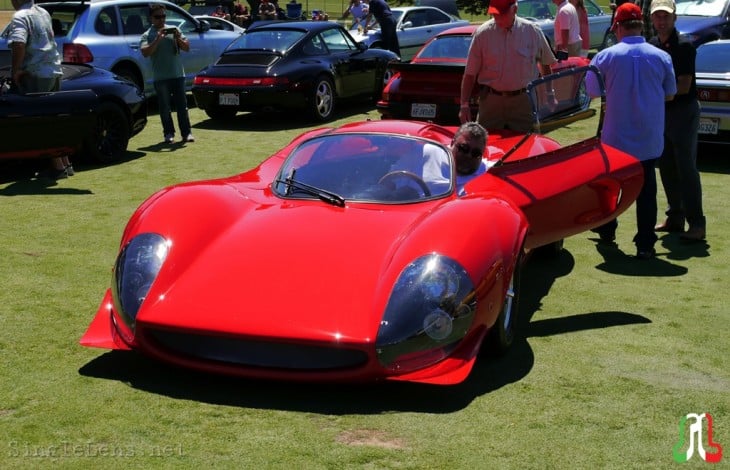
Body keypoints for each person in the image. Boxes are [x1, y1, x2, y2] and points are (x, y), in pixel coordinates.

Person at [585, 2, 676, 259]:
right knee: (647, 191)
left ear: (618, 27)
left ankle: (607, 230)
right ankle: (646, 244)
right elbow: (670, 94)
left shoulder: (605, 56)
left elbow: (592, 91)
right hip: (648, 137)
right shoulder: (661, 56)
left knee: (610, 187)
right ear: (640, 25)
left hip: (616, 138)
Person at [649, 0, 705, 241]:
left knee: (686, 168)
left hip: (683, 111)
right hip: (663, 112)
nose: (661, 21)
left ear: (674, 18)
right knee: (667, 166)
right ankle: (675, 217)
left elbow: (684, 86)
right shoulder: (651, 45)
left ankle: (697, 224)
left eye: (666, 17)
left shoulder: (684, 46)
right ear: (651, 19)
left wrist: (650, 94)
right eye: (658, 17)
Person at [459, 0, 556, 133]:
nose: (497, 18)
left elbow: (545, 63)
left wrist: (550, 93)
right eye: (494, 14)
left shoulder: (532, 31)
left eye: (502, 14)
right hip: (491, 103)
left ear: (514, 9)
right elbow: (470, 73)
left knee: (527, 144)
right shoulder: (483, 34)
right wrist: (464, 105)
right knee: (486, 146)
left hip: (523, 103)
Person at [8, 0, 71, 180]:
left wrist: (16, 71)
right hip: (53, 70)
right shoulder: (43, 12)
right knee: (54, 120)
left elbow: (19, 44)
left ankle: (57, 168)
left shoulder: (20, 16)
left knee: (42, 123)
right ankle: (66, 163)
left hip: (35, 73)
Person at [140, 3, 195, 144]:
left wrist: (178, 38)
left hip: (178, 75)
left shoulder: (174, 29)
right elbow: (145, 52)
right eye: (158, 17)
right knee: (165, 108)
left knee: (182, 107)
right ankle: (169, 133)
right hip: (161, 77)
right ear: (151, 18)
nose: (162, 20)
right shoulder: (148, 34)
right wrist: (158, 39)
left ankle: (186, 133)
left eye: (163, 16)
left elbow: (187, 47)